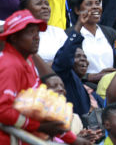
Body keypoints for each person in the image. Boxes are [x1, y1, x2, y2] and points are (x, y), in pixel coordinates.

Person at [0, 9, 80, 143]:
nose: (37, 37)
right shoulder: (9, 65)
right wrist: (40, 127)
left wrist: (72, 139)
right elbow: (3, 111)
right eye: (31, 32)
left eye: (37, 32)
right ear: (14, 37)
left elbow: (41, 107)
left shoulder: (28, 60)